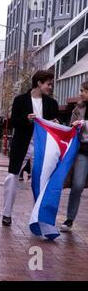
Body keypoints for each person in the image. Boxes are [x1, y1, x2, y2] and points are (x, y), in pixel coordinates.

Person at [2, 70, 58, 226]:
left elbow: (54, 124)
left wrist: (55, 122)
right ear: (39, 83)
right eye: (48, 84)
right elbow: (13, 122)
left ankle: (38, 216)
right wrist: (26, 119)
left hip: (43, 146)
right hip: (22, 145)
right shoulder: (20, 100)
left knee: (41, 179)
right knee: (12, 176)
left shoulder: (51, 103)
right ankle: (6, 213)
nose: (50, 87)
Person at [61, 81, 88, 232]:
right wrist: (73, 126)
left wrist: (84, 124)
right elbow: (71, 127)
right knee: (77, 185)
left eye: (83, 90)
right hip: (83, 151)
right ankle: (70, 219)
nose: (80, 93)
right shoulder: (78, 109)